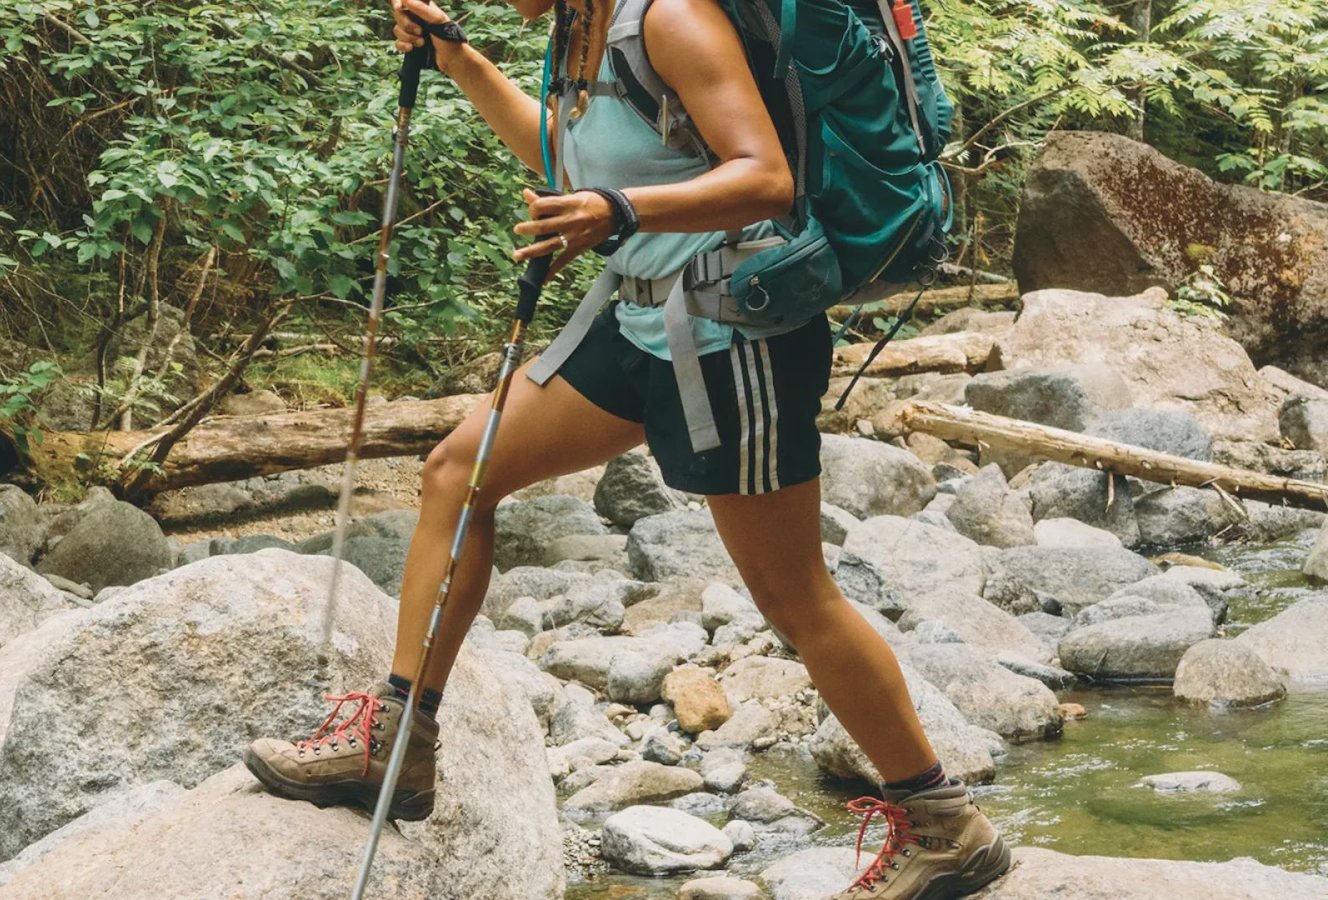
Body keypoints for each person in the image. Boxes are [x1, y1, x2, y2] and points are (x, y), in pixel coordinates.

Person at [244, 0, 1012, 896]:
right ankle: (395, 745)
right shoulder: (577, 32)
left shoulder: (673, 18)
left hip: (740, 327)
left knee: (794, 597)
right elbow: (571, 163)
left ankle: (944, 822)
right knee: (458, 472)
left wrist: (617, 210)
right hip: (645, 312)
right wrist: (465, 64)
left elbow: (764, 179)